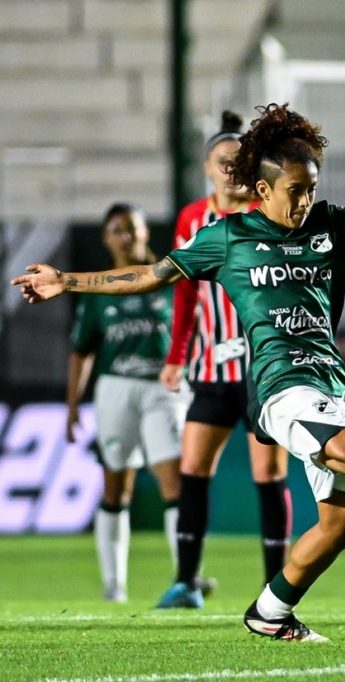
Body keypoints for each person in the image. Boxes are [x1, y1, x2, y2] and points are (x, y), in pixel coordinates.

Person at [15, 103, 345, 642]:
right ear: (263, 191)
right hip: (280, 386)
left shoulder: (332, 222)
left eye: (312, 186)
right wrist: (67, 279)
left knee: (343, 523)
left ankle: (269, 613)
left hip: (334, 382)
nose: (306, 198)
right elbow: (148, 277)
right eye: (296, 189)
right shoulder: (227, 237)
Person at [156, 111, 291, 610]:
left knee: (268, 476)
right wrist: (177, 356)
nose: (231, 169)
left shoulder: (269, 212)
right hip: (211, 369)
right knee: (192, 469)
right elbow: (185, 292)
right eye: (223, 162)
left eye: (239, 162)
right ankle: (186, 581)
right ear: (207, 168)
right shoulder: (193, 219)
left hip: (262, 372)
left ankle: (277, 588)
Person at [65, 203, 186, 602]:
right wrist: (72, 409)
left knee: (174, 482)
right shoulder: (98, 290)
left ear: (144, 232)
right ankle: (114, 585)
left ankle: (186, 575)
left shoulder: (167, 278)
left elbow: (191, 329)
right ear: (106, 238)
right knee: (116, 487)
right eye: (116, 229)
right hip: (116, 388)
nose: (125, 236)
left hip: (162, 389)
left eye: (131, 228)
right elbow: (81, 350)